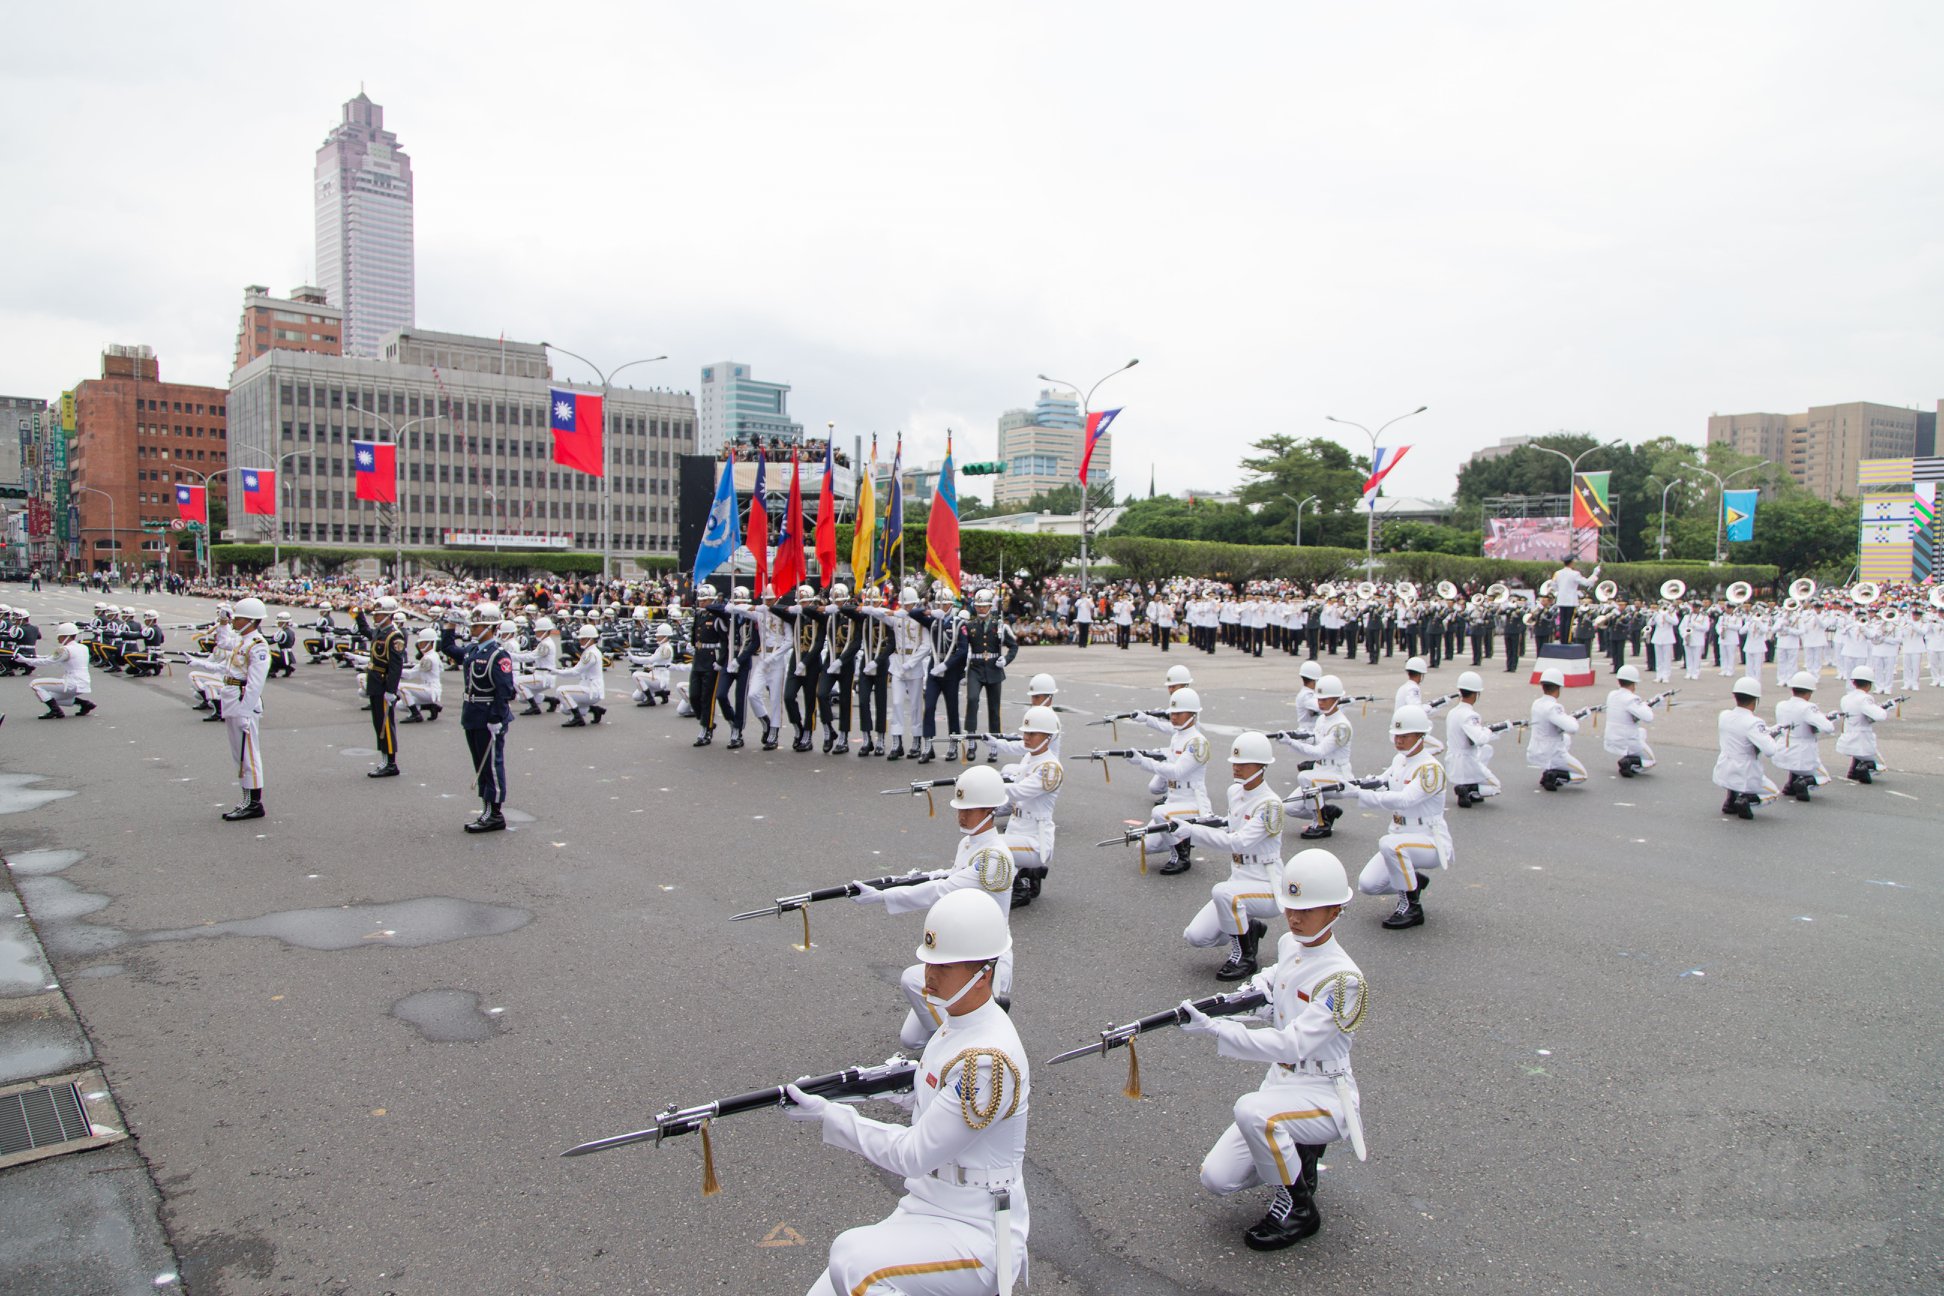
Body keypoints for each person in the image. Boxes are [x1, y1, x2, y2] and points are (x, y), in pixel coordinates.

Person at [786, 889, 1029, 1296]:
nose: (929, 976)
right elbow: (937, 1101)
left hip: (978, 1229)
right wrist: (890, 1090)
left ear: (983, 972)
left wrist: (832, 1115)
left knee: (853, 1262)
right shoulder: (959, 1022)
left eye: (944, 967)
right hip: (930, 1202)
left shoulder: (987, 1059)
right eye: (929, 962)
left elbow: (913, 1154)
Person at [1185, 847, 1366, 1251]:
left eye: (1309, 910)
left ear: (1335, 910)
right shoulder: (1289, 944)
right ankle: (1296, 1162)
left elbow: (1293, 1042)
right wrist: (1228, 1003)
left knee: (1251, 1110)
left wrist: (1219, 1031)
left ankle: (1298, 1207)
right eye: (1291, 908)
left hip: (1324, 1091)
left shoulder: (1344, 981)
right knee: (1216, 1178)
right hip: (1282, 1084)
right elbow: (1270, 988)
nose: (1296, 917)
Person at [851, 766, 1016, 1049]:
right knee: (911, 1038)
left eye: (970, 809)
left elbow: (941, 890)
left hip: (984, 962)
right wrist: (902, 881)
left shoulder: (994, 859)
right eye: (960, 808)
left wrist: (883, 896)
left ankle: (960, 1047)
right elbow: (946, 875)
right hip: (958, 950)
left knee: (913, 979)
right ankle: (954, 1041)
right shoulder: (970, 843)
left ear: (990, 810)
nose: (962, 815)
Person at [1176, 731, 1285, 980]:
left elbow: (1240, 842)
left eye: (1243, 763)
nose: (1236, 768)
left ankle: (1244, 957)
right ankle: (1248, 929)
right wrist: (1199, 823)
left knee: (1223, 892)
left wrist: (1194, 832)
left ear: (1261, 765)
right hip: (1240, 881)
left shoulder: (1270, 805)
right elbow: (1231, 826)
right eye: (1235, 763)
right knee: (1196, 936)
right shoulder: (1235, 793)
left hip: (1266, 883)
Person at [1351, 705, 1450, 930]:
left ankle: (1412, 907)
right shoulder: (1400, 761)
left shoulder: (1430, 769)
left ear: (1421, 736)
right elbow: (1381, 781)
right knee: (1368, 885)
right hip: (1401, 836)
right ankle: (1412, 883)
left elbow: (1405, 800)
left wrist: (1361, 796)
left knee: (1389, 844)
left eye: (1405, 736)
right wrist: (1352, 785)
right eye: (1396, 735)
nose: (1399, 741)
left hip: (1429, 840)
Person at [1124, 687, 1213, 875]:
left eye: (1179, 713)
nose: (1173, 717)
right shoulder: (1178, 736)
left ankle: (1181, 857)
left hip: (1192, 802)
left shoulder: (1197, 742)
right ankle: (1185, 836)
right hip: (1174, 800)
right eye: (1172, 713)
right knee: (1144, 846)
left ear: (1193, 714)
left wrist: (1144, 761)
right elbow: (1167, 761)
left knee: (1159, 812)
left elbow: (1177, 772)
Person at [460, 603, 517, 833]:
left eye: (479, 624)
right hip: (473, 714)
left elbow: (505, 690)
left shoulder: (498, 654)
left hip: (488, 716)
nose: (474, 628)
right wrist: (447, 628)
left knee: (492, 765)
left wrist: (496, 718)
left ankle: (495, 813)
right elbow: (449, 650)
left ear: (490, 627)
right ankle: (486, 807)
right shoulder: (475, 650)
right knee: (480, 765)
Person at [998, 706, 1063, 908]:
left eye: (1032, 733)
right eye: (1025, 732)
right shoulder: (1029, 757)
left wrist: (985, 784)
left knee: (992, 847)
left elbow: (1019, 792)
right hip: (1019, 829)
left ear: (1048, 737)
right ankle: (1029, 872)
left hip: (1036, 840)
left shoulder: (1051, 769)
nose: (1026, 737)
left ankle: (1020, 890)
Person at [216, 599, 273, 821]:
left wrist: (245, 713)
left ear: (250, 621)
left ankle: (254, 803)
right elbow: (222, 642)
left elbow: (255, 683)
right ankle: (246, 798)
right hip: (233, 699)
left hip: (243, 702)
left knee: (249, 755)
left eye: (237, 618)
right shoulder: (242, 640)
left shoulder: (257, 644)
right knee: (238, 755)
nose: (234, 620)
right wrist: (222, 622)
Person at [1282, 675, 1354, 839]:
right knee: (1289, 807)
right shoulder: (1322, 718)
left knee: (1305, 776)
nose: (1321, 703)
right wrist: (1293, 736)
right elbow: (1315, 739)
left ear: (1336, 699)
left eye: (1325, 699)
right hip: (1320, 773)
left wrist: (1290, 743)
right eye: (1319, 699)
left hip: (1338, 776)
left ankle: (1321, 824)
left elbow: (1319, 752)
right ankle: (1326, 812)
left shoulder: (1341, 726)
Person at [961, 589, 1017, 763]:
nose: (981, 609)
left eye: (984, 606)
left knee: (994, 709)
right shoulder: (969, 626)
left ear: (990, 607)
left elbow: (1013, 646)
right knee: (971, 700)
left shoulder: (999, 626)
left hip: (994, 668)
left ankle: (994, 746)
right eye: (978, 606)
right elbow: (962, 650)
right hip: (976, 668)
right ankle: (971, 741)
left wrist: (1005, 660)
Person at [1714, 676, 1780, 819]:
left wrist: (1765, 732)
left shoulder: (1724, 715)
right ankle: (1746, 799)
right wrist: (1771, 736)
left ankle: (1731, 799)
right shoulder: (1754, 723)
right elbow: (1770, 750)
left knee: (1734, 773)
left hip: (1724, 769)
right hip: (1745, 772)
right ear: (1756, 700)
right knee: (1773, 792)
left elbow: (1740, 732)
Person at [357, 597, 408, 778]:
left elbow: (395, 666)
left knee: (385, 725)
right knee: (379, 723)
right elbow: (365, 632)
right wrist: (358, 615)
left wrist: (391, 690)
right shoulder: (380, 632)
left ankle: (390, 763)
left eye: (378, 614)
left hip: (383, 684)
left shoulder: (394, 636)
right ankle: (385, 759)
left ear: (388, 615)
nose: (376, 616)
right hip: (376, 682)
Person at [1444, 670, 1505, 807]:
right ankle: (1469, 789)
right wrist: (1489, 730)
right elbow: (1480, 739)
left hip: (1453, 760)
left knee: (1487, 750)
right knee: (1496, 787)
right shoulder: (1470, 715)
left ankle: (1471, 791)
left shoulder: (1452, 712)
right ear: (1476, 694)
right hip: (1466, 762)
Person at [1772, 670, 1832, 802]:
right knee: (1824, 776)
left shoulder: (1781, 705)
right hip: (1802, 753)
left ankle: (1790, 785)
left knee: (1796, 766)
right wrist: (1825, 719)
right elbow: (1828, 728)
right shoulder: (1808, 707)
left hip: (1783, 749)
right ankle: (1803, 782)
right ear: (1809, 692)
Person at [1527, 668, 1588, 791]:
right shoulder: (1554, 707)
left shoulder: (1537, 703)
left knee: (1566, 739)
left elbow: (1553, 723)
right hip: (1551, 752)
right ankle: (1554, 775)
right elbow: (1572, 728)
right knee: (1582, 775)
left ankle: (1549, 770)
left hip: (1535, 749)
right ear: (1558, 687)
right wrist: (1574, 719)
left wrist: (1567, 718)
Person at [23, 621, 95, 719]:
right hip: (84, 682)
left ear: (66, 636)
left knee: (35, 684)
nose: (58, 638)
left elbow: (48, 661)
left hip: (71, 682)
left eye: (59, 636)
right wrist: (32, 658)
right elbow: (50, 657)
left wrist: (26, 661)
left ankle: (56, 711)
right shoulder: (83, 647)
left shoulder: (65, 649)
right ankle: (85, 704)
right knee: (47, 697)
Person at [1835, 666, 1890, 784]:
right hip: (1862, 738)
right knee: (1880, 764)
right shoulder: (1865, 698)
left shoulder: (1845, 698)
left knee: (1860, 754)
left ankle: (1853, 770)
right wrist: (1885, 708)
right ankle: (1863, 769)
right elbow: (1880, 716)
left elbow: (1861, 715)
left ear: (1854, 682)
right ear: (1869, 684)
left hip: (1848, 736)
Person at [1602, 664, 1657, 777]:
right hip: (1625, 739)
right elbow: (1649, 717)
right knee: (1650, 762)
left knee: (1642, 732)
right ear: (1634, 683)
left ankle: (1630, 760)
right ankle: (1629, 762)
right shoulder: (1632, 699)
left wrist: (1642, 705)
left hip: (1611, 737)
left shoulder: (1612, 694)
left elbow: (1627, 713)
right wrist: (1647, 705)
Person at [556, 624, 608, 726]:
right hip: (588, 687)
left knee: (561, 691)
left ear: (591, 639)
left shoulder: (591, 653)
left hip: (592, 689)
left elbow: (575, 672)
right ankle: (595, 710)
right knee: (564, 708)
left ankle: (577, 718)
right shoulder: (589, 651)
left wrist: (556, 672)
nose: (580, 641)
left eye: (583, 639)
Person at [512, 616, 562, 715]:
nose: (535, 633)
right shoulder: (545, 642)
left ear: (545, 631)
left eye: (538, 631)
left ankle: (534, 707)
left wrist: (510, 656)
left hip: (544, 676)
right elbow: (531, 654)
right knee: (524, 697)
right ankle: (551, 700)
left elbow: (530, 657)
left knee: (517, 682)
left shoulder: (545, 644)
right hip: (543, 675)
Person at [397, 628, 444, 723]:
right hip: (429, 688)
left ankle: (415, 714)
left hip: (430, 689)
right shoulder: (433, 655)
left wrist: (394, 671)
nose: (419, 645)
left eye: (422, 643)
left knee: (400, 687)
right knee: (400, 705)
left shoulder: (428, 658)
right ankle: (430, 707)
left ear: (430, 643)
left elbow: (410, 674)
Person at [1552, 557, 1599, 643]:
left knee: (1562, 620)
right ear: (1571, 563)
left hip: (1561, 600)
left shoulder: (1557, 573)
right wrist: (1595, 574)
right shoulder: (1575, 574)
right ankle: (1567, 640)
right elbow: (1587, 583)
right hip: (1571, 601)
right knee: (1569, 621)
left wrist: (1560, 592)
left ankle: (1562, 640)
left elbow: (1553, 585)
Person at [630, 623, 676, 708]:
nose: (657, 637)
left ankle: (650, 699)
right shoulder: (662, 647)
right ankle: (661, 693)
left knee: (636, 675)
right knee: (636, 697)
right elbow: (656, 662)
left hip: (660, 678)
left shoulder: (666, 649)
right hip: (654, 676)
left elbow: (651, 659)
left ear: (665, 636)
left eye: (659, 636)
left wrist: (634, 658)